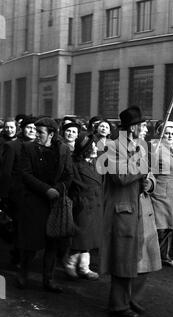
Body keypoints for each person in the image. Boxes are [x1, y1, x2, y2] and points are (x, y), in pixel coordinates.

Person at [99, 105, 159, 317]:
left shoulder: (141, 147)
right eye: (142, 124)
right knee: (123, 261)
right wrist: (142, 168)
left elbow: (149, 175)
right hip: (123, 212)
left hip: (142, 211)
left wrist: (149, 184)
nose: (144, 128)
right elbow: (120, 177)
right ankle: (118, 305)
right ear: (132, 127)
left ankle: (132, 298)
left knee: (146, 261)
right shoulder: (112, 147)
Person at [16, 117, 73, 293]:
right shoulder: (28, 148)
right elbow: (25, 174)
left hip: (54, 203)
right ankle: (23, 273)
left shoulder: (63, 150)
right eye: (35, 130)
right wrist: (46, 190)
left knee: (52, 243)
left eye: (40, 132)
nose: (36, 134)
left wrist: (57, 189)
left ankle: (48, 280)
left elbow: (68, 175)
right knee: (31, 242)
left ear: (51, 134)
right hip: (34, 201)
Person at [64, 133, 103, 280]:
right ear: (85, 148)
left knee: (89, 239)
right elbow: (68, 186)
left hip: (95, 205)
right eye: (92, 145)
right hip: (81, 207)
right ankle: (70, 264)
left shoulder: (93, 164)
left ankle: (84, 267)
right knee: (80, 239)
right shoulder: (74, 165)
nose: (95, 147)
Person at [0, 116, 37, 265]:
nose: (32, 131)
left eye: (35, 129)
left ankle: (26, 256)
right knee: (19, 228)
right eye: (29, 128)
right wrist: (3, 195)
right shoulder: (13, 146)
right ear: (22, 129)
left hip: (36, 195)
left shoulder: (41, 146)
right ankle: (18, 257)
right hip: (18, 195)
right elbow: (6, 173)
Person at [150, 121, 173, 267]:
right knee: (160, 227)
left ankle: (164, 255)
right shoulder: (155, 147)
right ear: (160, 134)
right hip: (159, 191)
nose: (169, 135)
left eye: (172, 133)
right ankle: (153, 256)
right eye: (166, 133)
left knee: (170, 226)